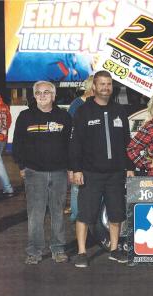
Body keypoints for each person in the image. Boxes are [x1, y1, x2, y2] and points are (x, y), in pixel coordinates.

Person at [69, 70, 134, 268]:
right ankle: (81, 252)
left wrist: (129, 167)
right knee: (85, 215)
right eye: (102, 84)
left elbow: (126, 141)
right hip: (90, 173)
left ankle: (114, 250)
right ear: (94, 87)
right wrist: (76, 169)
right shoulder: (83, 111)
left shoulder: (119, 110)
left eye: (109, 84)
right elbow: (75, 143)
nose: (106, 88)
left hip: (115, 173)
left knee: (116, 214)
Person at [12, 81, 72, 264]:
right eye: (39, 92)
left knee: (57, 212)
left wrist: (70, 168)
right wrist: (22, 166)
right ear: (34, 95)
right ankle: (34, 251)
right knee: (35, 214)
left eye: (47, 92)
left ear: (54, 96)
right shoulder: (25, 116)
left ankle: (58, 249)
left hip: (59, 173)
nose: (43, 95)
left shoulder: (64, 117)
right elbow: (17, 144)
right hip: (34, 173)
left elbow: (71, 145)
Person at [67, 75, 94, 221]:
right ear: (91, 88)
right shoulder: (77, 104)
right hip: (78, 152)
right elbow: (70, 132)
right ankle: (76, 216)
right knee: (77, 186)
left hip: (91, 153)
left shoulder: (96, 103)